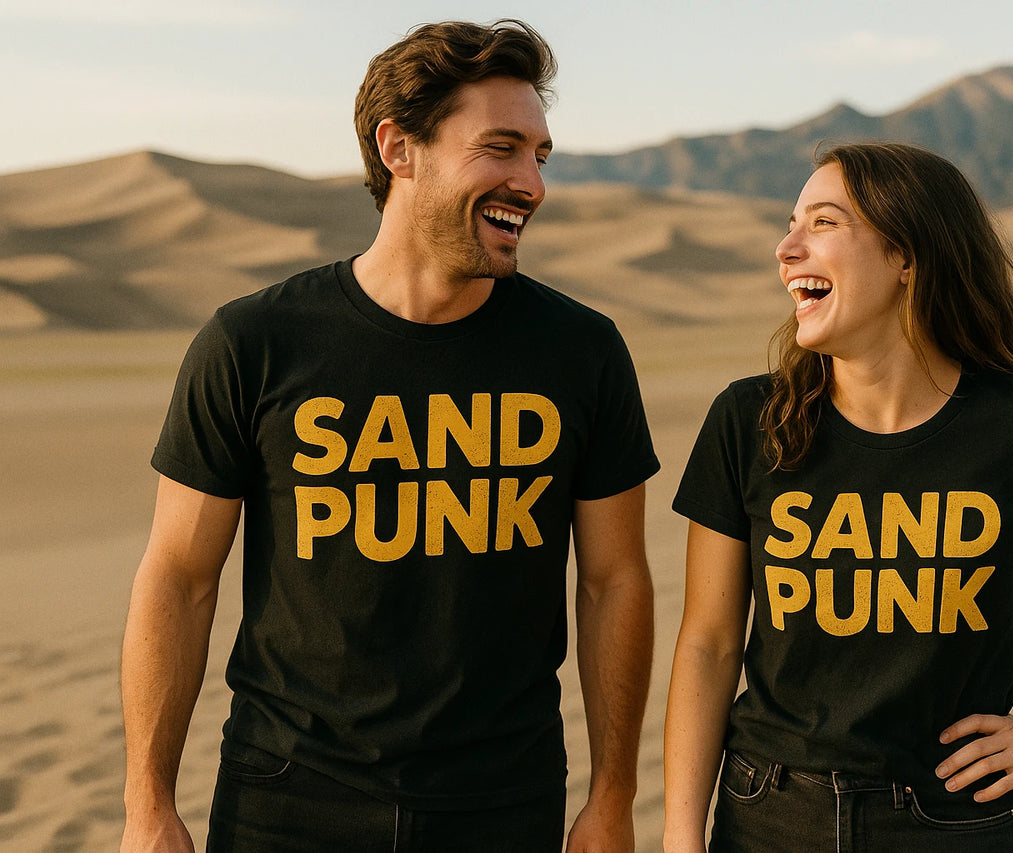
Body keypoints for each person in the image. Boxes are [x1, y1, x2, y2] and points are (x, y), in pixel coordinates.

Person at [120, 19, 658, 853]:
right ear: (399, 148)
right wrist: (148, 804)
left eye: (540, 156)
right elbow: (179, 578)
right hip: (287, 799)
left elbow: (614, 582)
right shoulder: (254, 343)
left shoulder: (582, 352)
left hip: (502, 803)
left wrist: (613, 797)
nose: (531, 183)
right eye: (502, 148)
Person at [663, 142, 1013, 852]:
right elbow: (708, 645)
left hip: (955, 821)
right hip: (768, 814)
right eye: (790, 224)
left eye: (822, 223)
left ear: (906, 256)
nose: (786, 248)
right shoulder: (751, 420)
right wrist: (681, 835)